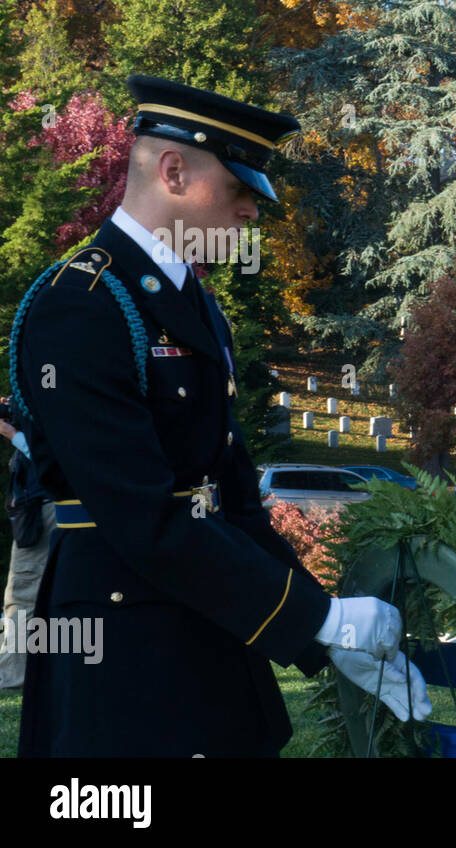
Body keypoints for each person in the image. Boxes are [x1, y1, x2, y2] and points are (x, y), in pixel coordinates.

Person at [10, 75, 431, 756]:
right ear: (173, 171)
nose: (251, 216)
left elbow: (233, 500)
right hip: (121, 658)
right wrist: (321, 619)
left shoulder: (198, 306)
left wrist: (318, 629)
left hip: (210, 634)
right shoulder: (80, 303)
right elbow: (142, 519)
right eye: (238, 190)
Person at [0, 406, 56, 689]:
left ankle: (12, 674)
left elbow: (50, 462)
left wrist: (13, 433)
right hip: (42, 510)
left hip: (43, 510)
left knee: (22, 592)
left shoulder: (50, 399)